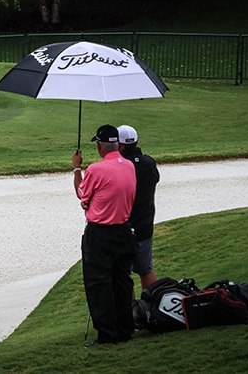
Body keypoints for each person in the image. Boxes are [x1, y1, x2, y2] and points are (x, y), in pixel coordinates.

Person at [72, 124, 136, 347]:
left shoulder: (95, 170)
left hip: (100, 234)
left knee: (99, 283)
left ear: (100, 146)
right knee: (121, 281)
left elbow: (81, 193)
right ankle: (125, 328)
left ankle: (108, 334)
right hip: (124, 231)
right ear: (117, 144)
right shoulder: (129, 166)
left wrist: (76, 169)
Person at [118, 125, 160, 290]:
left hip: (124, 228)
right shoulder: (149, 163)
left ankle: (129, 313)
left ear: (119, 146)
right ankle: (152, 309)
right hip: (144, 225)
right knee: (146, 270)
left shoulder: (120, 167)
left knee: (123, 275)